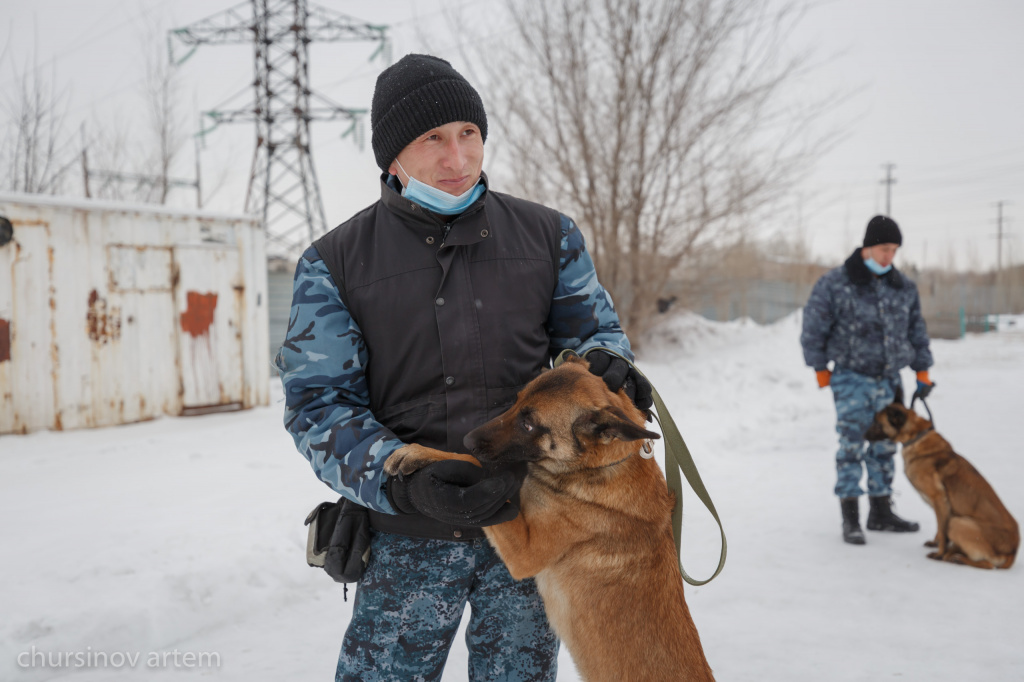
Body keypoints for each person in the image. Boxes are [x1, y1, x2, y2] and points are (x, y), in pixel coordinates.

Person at [274, 53, 652, 682]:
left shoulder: (548, 236)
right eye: (433, 140)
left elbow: (594, 339)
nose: (457, 160)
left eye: (468, 135)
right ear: (392, 157)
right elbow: (318, 406)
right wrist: (398, 479)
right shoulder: (334, 262)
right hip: (405, 538)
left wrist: (607, 365)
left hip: (530, 526)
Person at [800, 215, 934, 545]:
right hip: (851, 378)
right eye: (884, 249)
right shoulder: (835, 283)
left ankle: (881, 512)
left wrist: (922, 370)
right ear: (868, 247)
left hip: (889, 379)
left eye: (894, 250)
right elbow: (813, 327)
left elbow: (916, 330)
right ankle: (851, 518)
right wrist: (819, 366)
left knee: (885, 446)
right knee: (851, 445)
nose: (889, 256)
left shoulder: (901, 287)